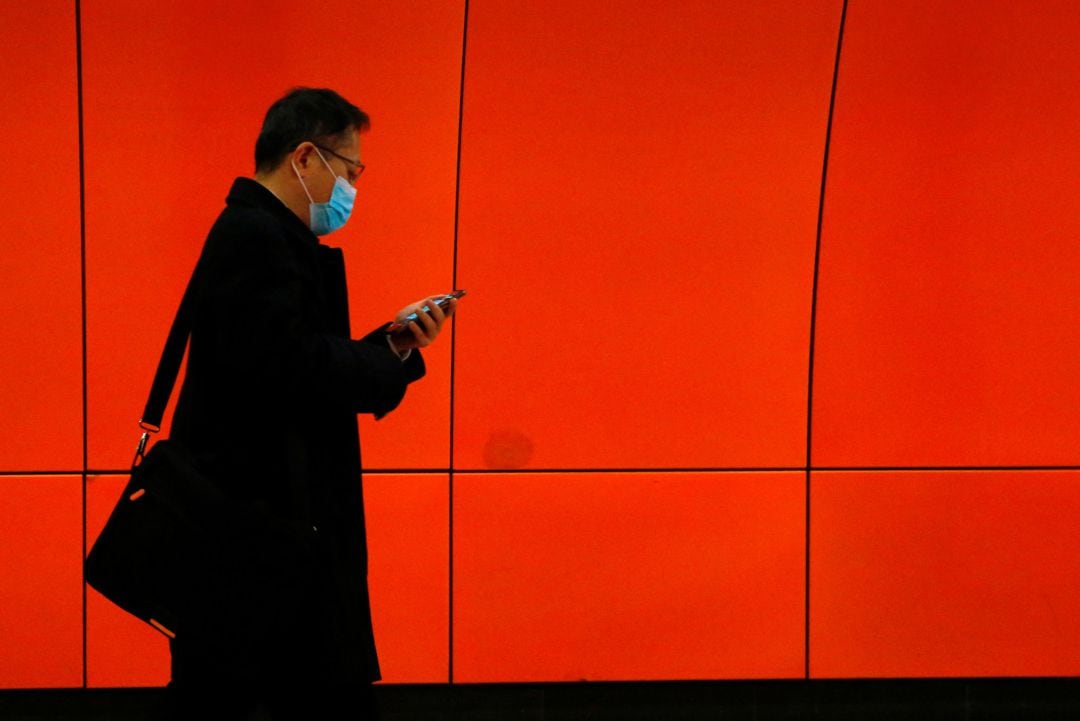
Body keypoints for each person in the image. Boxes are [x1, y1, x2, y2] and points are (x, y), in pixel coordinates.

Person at [157, 87, 455, 720]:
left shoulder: (263, 234)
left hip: (262, 534)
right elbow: (290, 369)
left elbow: (288, 358)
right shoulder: (256, 237)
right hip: (264, 534)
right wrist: (384, 359)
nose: (352, 186)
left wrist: (392, 346)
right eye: (351, 169)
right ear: (305, 158)